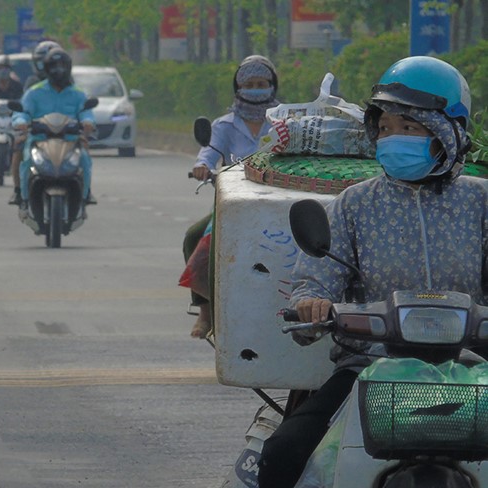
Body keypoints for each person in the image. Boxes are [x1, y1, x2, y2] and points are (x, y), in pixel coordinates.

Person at [257, 56, 481, 488]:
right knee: (283, 453)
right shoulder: (354, 204)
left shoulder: (481, 203)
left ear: (447, 133)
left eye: (410, 128)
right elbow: (314, 280)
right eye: (385, 127)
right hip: (370, 369)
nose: (392, 137)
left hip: (472, 369)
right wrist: (310, 305)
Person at [182, 55, 279, 338]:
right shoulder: (224, 125)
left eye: (262, 83)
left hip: (277, 204)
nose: (256, 89)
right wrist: (202, 166)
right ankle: (205, 309)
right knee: (193, 236)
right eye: (249, 84)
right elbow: (209, 152)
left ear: (272, 86)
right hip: (234, 205)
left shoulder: (286, 120)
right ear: (238, 88)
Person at [11, 48, 96, 206]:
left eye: (62, 66)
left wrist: (88, 122)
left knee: (84, 157)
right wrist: (20, 122)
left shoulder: (78, 93)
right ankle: (22, 197)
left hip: (70, 139)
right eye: (54, 66)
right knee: (27, 159)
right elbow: (22, 112)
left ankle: (85, 195)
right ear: (46, 68)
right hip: (39, 139)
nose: (59, 70)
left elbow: (86, 112)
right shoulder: (34, 92)